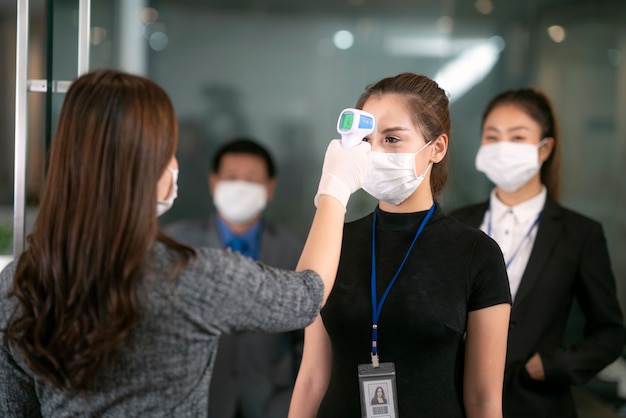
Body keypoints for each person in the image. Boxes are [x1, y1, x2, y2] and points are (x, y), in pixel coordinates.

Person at [0, 68, 371, 416]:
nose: (175, 164)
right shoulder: (190, 276)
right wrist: (335, 186)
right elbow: (308, 294)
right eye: (168, 151)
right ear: (147, 167)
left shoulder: (19, 283)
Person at [288, 72, 512, 418]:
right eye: (366, 139)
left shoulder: (475, 253)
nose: (374, 152)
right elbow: (312, 377)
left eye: (392, 139)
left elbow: (483, 398)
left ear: (436, 148)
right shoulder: (335, 241)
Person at [449, 87, 626, 418]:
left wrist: (553, 364)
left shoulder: (579, 234)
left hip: (536, 404)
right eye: (493, 136)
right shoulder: (455, 223)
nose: (503, 147)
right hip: (454, 401)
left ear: (544, 148)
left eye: (517, 137)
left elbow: (611, 333)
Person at [164, 137, 305, 418]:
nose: (240, 186)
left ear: (270, 188)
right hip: (196, 403)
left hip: (273, 402)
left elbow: (306, 340)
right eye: (231, 178)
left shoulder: (295, 249)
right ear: (214, 183)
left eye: (251, 179)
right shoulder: (174, 243)